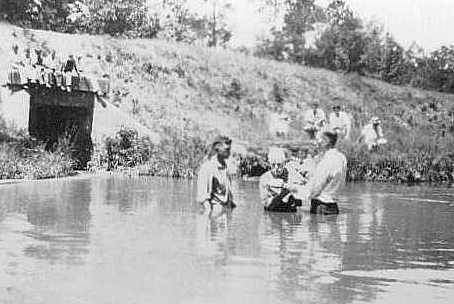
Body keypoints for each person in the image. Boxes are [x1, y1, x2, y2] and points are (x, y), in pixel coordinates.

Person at [290, 131, 347, 215]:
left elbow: (316, 190)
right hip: (334, 206)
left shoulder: (327, 160)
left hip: (321, 207)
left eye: (319, 140)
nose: (317, 143)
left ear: (326, 141)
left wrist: (296, 192)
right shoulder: (342, 157)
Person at [197, 136, 236, 209]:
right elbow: (204, 200)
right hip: (214, 214)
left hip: (225, 214)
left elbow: (227, 197)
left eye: (229, 150)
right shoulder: (207, 168)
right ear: (217, 148)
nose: (229, 153)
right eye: (227, 149)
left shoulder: (225, 168)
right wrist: (208, 218)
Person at [259, 147, 302, 213]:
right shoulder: (264, 178)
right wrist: (284, 189)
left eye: (279, 165)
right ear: (269, 164)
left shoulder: (292, 174)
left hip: (290, 211)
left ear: (284, 164)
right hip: (273, 211)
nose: (276, 168)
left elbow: (305, 188)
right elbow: (267, 204)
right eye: (273, 165)